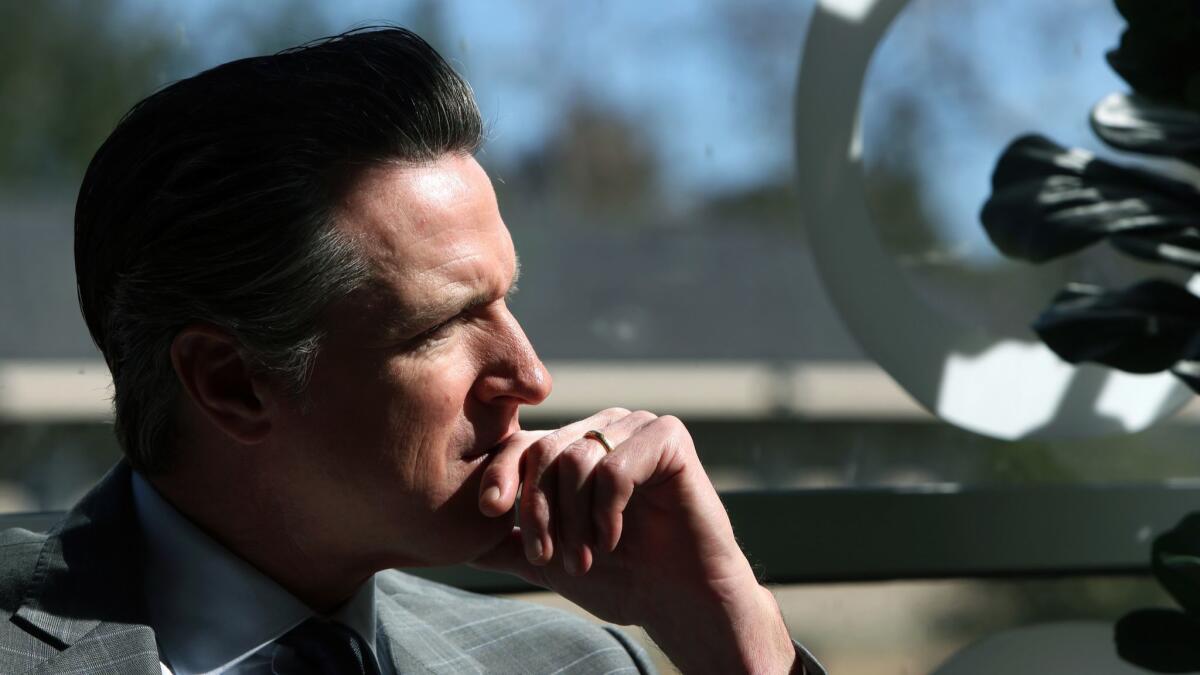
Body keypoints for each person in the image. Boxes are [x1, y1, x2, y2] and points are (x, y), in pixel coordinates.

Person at [0, 27, 824, 674]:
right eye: (440, 327)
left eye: (506, 300)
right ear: (231, 382)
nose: (532, 377)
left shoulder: (576, 664)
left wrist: (743, 647)